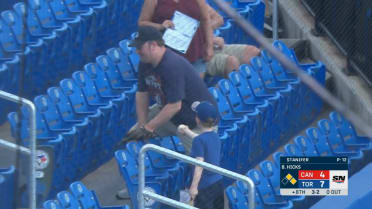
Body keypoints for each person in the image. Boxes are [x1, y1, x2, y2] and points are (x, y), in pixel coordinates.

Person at [137, 0, 214, 78]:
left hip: (195, 53)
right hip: (165, 57)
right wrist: (160, 26)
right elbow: (142, 23)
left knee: (195, 88)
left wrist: (209, 46)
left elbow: (205, 20)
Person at [177, 101, 224, 209]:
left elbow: (199, 164)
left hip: (204, 186)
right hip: (217, 182)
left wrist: (193, 187)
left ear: (197, 119)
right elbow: (201, 139)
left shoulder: (199, 140)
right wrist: (187, 131)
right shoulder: (215, 136)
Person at [207, 4, 261, 78]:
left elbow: (218, 19)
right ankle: (234, 88)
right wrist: (206, 37)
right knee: (232, 62)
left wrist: (207, 33)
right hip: (195, 55)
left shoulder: (196, 3)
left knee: (252, 52)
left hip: (210, 45)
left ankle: (254, 87)